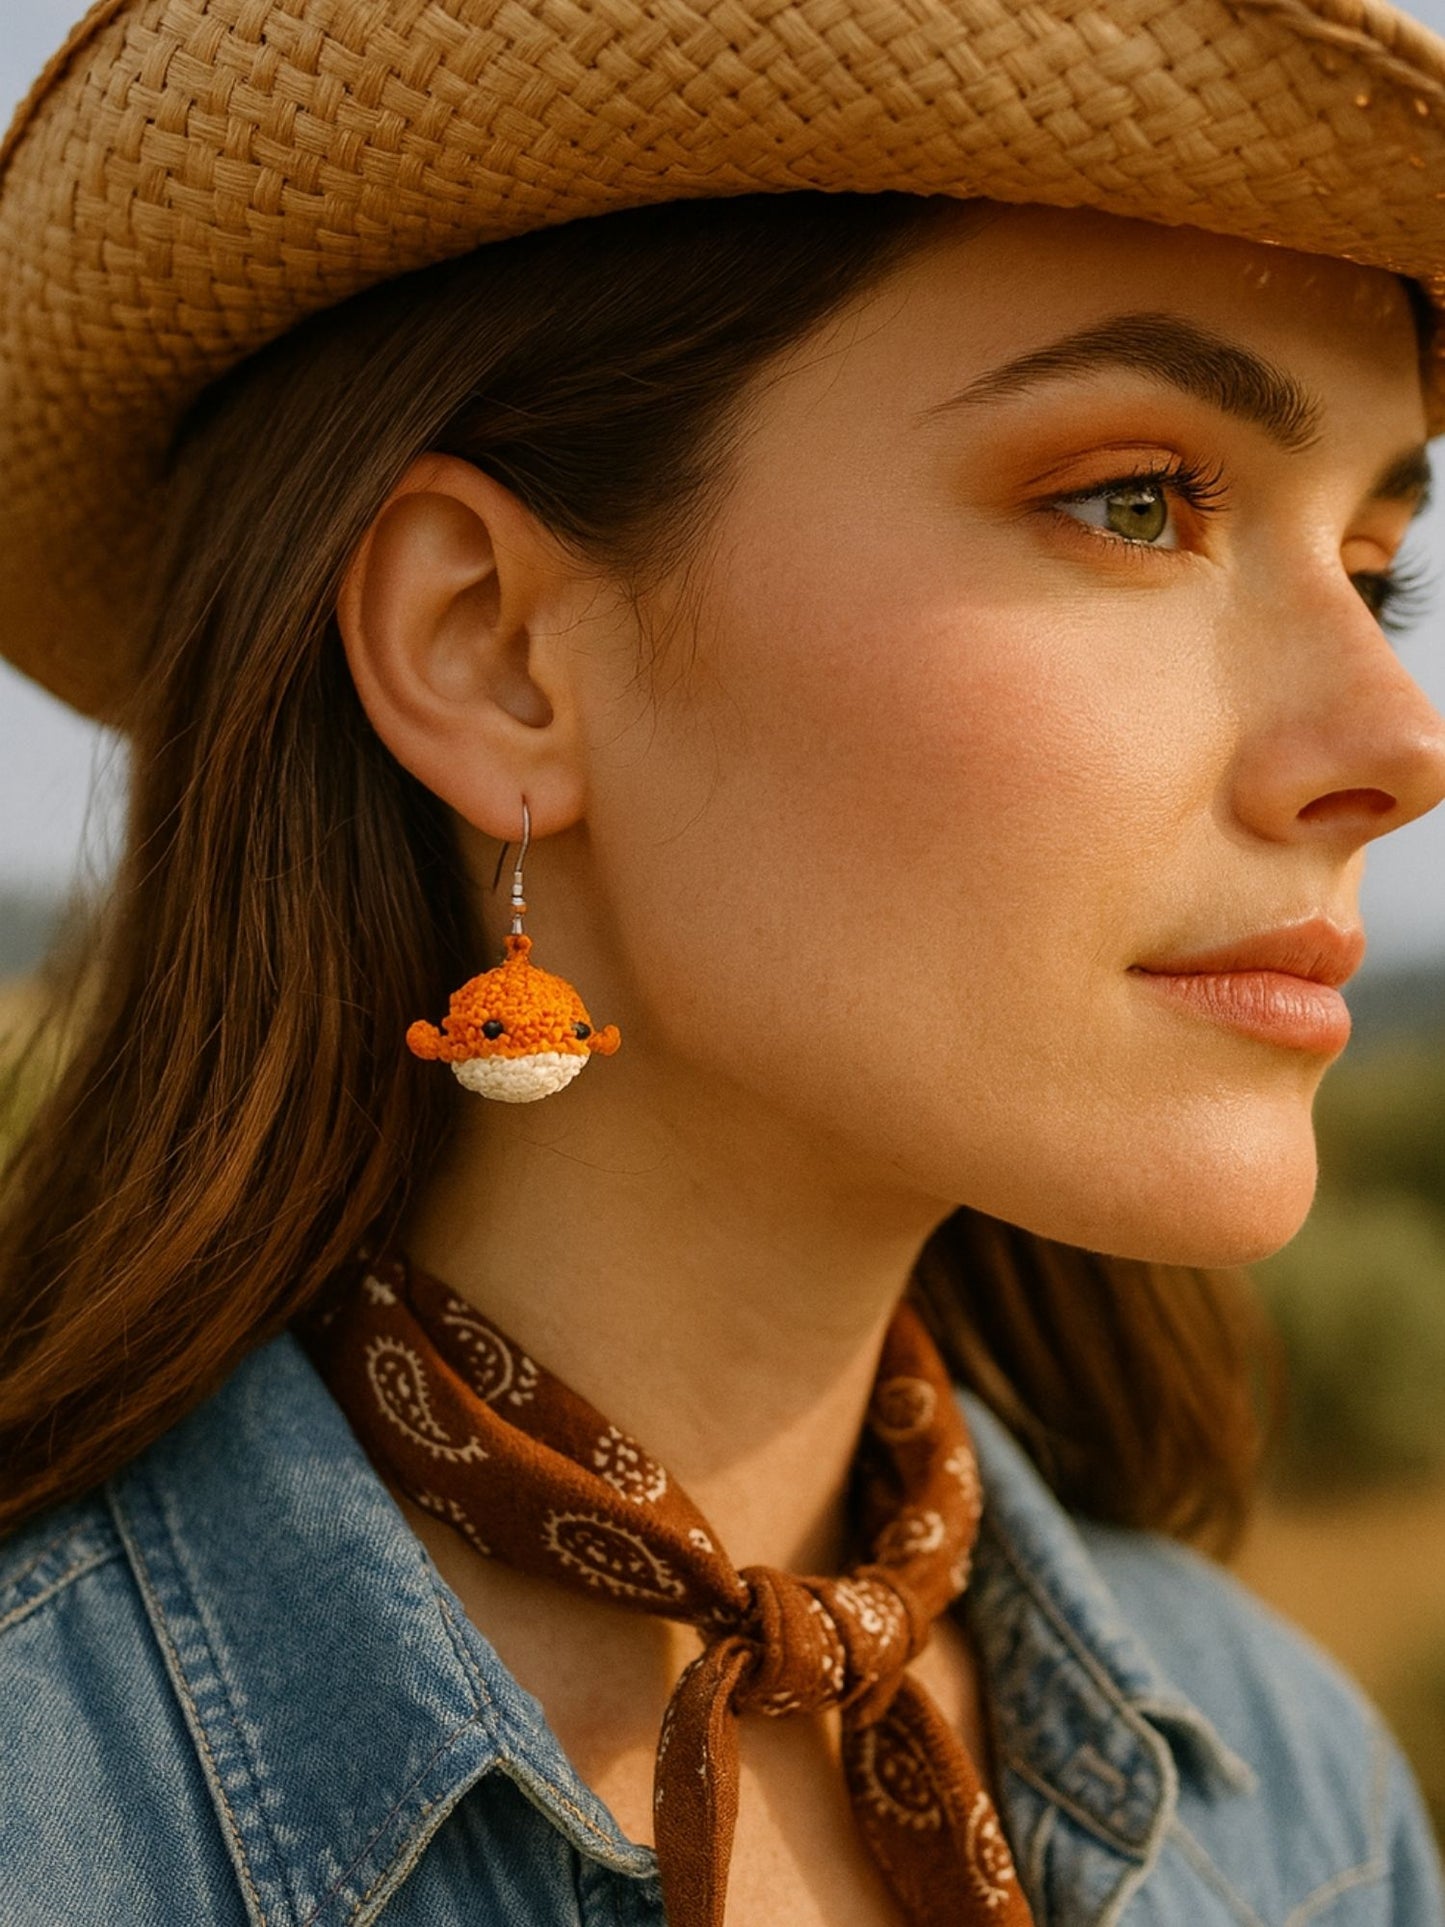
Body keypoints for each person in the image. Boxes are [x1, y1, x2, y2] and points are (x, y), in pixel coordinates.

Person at [1, 0, 1444, 1920]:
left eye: (1372, 570)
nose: (1397, 746)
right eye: (1134, 503)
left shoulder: (1297, 1809)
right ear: (492, 651)